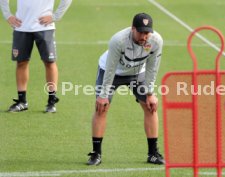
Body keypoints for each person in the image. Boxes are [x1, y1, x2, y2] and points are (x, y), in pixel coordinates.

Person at [87, 13, 164, 166]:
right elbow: (110, 69)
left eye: (147, 32)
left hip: (137, 72)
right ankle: (96, 154)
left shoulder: (155, 41)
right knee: (101, 108)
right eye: (141, 32)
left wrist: (150, 93)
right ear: (133, 29)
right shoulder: (118, 40)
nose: (144, 36)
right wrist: (103, 96)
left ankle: (153, 154)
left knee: (150, 107)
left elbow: (152, 68)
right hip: (112, 72)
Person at [0, 0, 72, 113]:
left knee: (49, 62)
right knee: (21, 62)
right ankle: (22, 101)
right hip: (21, 27)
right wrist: (7, 14)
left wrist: (56, 16)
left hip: (45, 27)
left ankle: (51, 101)